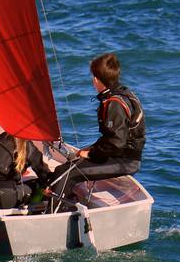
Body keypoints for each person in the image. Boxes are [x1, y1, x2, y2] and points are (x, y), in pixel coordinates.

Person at [49, 53, 146, 205]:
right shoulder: (123, 93)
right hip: (118, 155)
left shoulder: (114, 103)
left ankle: (56, 213)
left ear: (96, 79)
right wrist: (88, 149)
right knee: (66, 167)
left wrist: (91, 153)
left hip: (125, 160)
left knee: (65, 174)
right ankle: (67, 202)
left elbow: (116, 144)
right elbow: (111, 138)